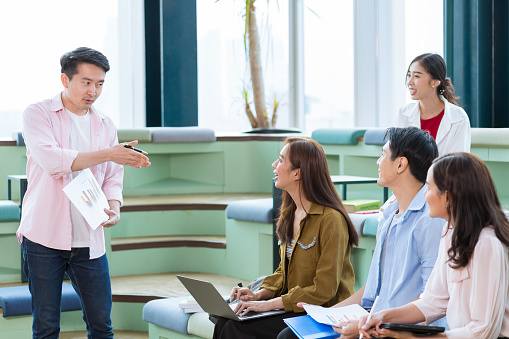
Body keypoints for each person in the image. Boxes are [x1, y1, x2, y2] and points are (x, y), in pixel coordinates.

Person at [17, 47, 151, 338]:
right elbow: (54, 162)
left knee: (102, 325)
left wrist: (114, 207)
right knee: (46, 327)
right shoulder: (38, 114)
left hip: (89, 238)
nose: (93, 91)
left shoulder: (105, 124)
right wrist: (109, 154)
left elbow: (113, 176)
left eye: (100, 84)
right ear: (65, 80)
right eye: (86, 82)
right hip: (43, 236)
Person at [278, 127, 446, 339]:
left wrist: (369, 325)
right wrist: (328, 313)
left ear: (401, 164)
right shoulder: (389, 215)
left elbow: (430, 299)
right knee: (290, 334)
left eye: (383, 155)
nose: (378, 161)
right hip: (376, 322)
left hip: (402, 330)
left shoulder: (430, 220)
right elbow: (374, 289)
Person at [213, 137, 358, 339]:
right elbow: (284, 271)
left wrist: (267, 305)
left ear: (297, 173)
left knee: (236, 327)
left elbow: (323, 290)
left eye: (280, 160)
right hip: (291, 307)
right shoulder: (291, 213)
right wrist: (258, 294)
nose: (274, 165)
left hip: (319, 312)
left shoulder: (331, 219)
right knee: (223, 319)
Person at [359, 152, 509, 339]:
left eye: (428, 187)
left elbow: (483, 330)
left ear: (448, 196)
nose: (424, 193)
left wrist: (415, 337)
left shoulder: (486, 243)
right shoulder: (450, 231)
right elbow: (432, 301)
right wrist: (382, 316)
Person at [399, 53, 471, 156]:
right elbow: (398, 158)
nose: (410, 82)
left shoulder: (459, 118)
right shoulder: (403, 114)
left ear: (435, 82)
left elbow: (457, 165)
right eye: (409, 75)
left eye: (416, 76)